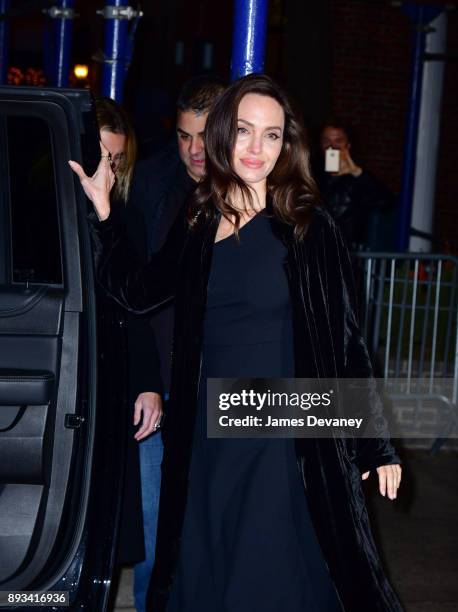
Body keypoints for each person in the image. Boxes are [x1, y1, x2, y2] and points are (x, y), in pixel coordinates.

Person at [70, 74, 403, 612]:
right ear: (222, 134)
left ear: (286, 144)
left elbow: (345, 340)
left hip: (278, 424)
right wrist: (106, 213)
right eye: (245, 131)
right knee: (206, 570)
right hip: (205, 426)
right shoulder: (200, 218)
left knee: (268, 576)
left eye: (272, 136)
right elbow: (138, 292)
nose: (256, 148)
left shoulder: (307, 226)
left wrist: (374, 442)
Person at [127, 76, 225, 611]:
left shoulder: (252, 194)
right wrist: (147, 382)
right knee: (153, 523)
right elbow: (136, 296)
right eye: (184, 136)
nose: (192, 150)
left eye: (202, 137)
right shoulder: (152, 186)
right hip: (161, 392)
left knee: (215, 524)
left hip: (223, 393)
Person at [94, 98, 163, 608]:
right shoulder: (38, 206)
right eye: (99, 155)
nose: (107, 170)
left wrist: (147, 382)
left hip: (113, 376)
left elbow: (137, 307)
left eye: (115, 160)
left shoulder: (128, 219)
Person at [316, 118, 395, 249]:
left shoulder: (358, 179)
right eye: (326, 141)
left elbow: (386, 202)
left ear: (348, 145)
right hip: (317, 252)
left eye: (338, 141)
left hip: (348, 254)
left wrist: (357, 172)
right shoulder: (312, 175)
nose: (332, 147)